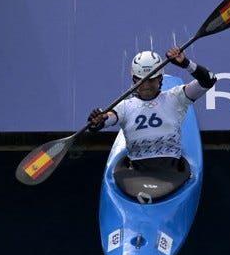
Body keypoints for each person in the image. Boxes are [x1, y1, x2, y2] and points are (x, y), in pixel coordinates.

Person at [87, 47, 217, 202]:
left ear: (160, 79)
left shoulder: (176, 98)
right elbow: (104, 121)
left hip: (172, 172)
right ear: (134, 79)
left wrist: (186, 63)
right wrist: (98, 120)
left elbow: (209, 80)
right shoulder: (123, 107)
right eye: (140, 80)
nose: (146, 85)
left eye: (151, 80)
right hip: (136, 175)